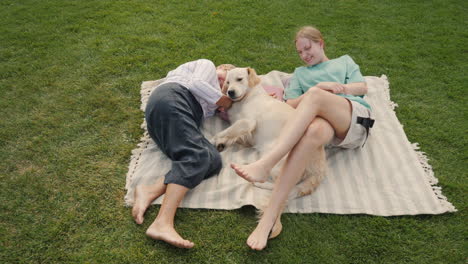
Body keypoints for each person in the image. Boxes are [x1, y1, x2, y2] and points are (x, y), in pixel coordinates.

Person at [231, 26, 374, 250]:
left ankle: (266, 163)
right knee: (313, 131)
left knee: (316, 95)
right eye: (300, 52)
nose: (305, 55)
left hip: (352, 117)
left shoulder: (343, 62)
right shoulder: (299, 74)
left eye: (308, 48)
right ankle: (270, 218)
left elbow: (362, 87)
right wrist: (314, 90)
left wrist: (332, 89)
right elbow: (290, 105)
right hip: (326, 129)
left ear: (321, 43)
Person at [132, 59, 233, 249]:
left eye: (225, 88)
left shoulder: (214, 105)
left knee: (212, 160)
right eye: (223, 78)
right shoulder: (207, 65)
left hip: (166, 120)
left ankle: (150, 190)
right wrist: (224, 100)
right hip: (171, 98)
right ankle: (162, 222)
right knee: (197, 157)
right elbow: (196, 84)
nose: (222, 86)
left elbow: (237, 112)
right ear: (220, 68)